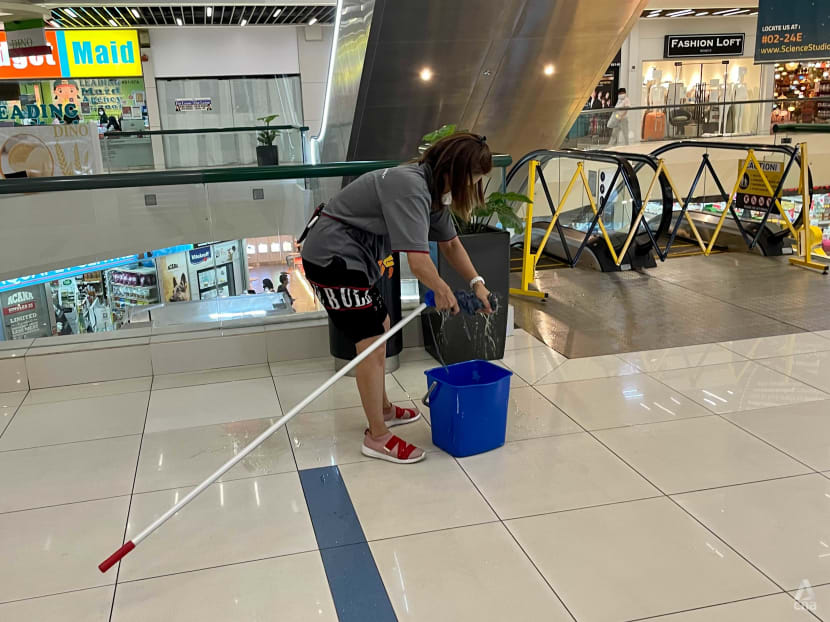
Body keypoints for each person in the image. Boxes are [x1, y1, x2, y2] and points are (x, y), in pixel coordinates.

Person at [301, 132, 493, 465]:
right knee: (372, 342)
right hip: (332, 258)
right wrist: (444, 291)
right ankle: (377, 437)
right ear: (454, 171)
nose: (472, 190)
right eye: (471, 181)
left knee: (382, 326)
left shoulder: (433, 191)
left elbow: (450, 244)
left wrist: (477, 283)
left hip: (353, 259)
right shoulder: (411, 187)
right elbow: (418, 262)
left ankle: (384, 410)